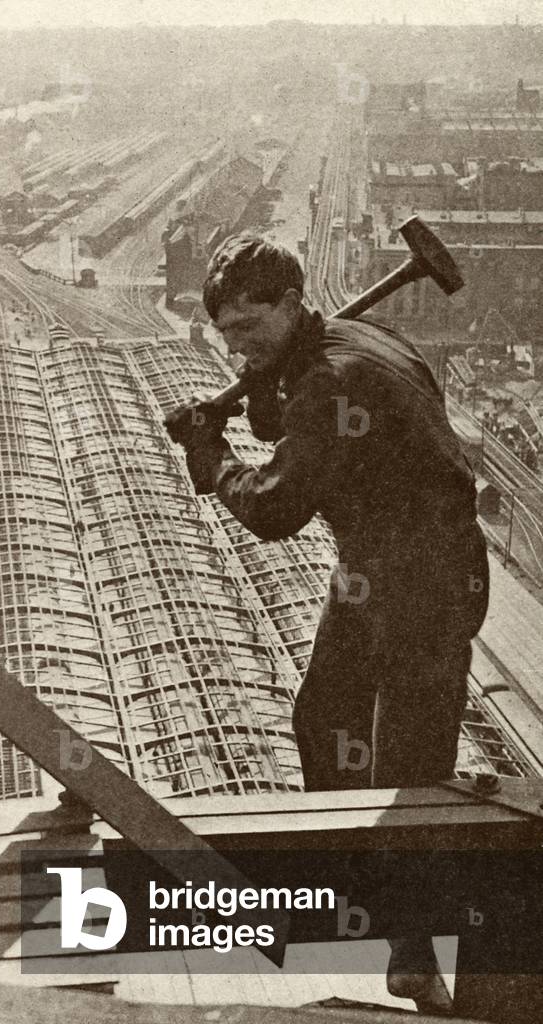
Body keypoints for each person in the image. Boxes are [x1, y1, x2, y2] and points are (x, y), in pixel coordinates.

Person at [165, 233, 489, 1010]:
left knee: (409, 768)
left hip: (423, 579)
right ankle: (360, 897)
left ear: (288, 304)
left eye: (249, 330)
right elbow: (308, 431)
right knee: (326, 720)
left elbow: (276, 506)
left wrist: (210, 456)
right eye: (226, 336)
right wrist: (262, 385)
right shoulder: (359, 340)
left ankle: (416, 954)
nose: (238, 349)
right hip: (378, 567)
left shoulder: (331, 374)